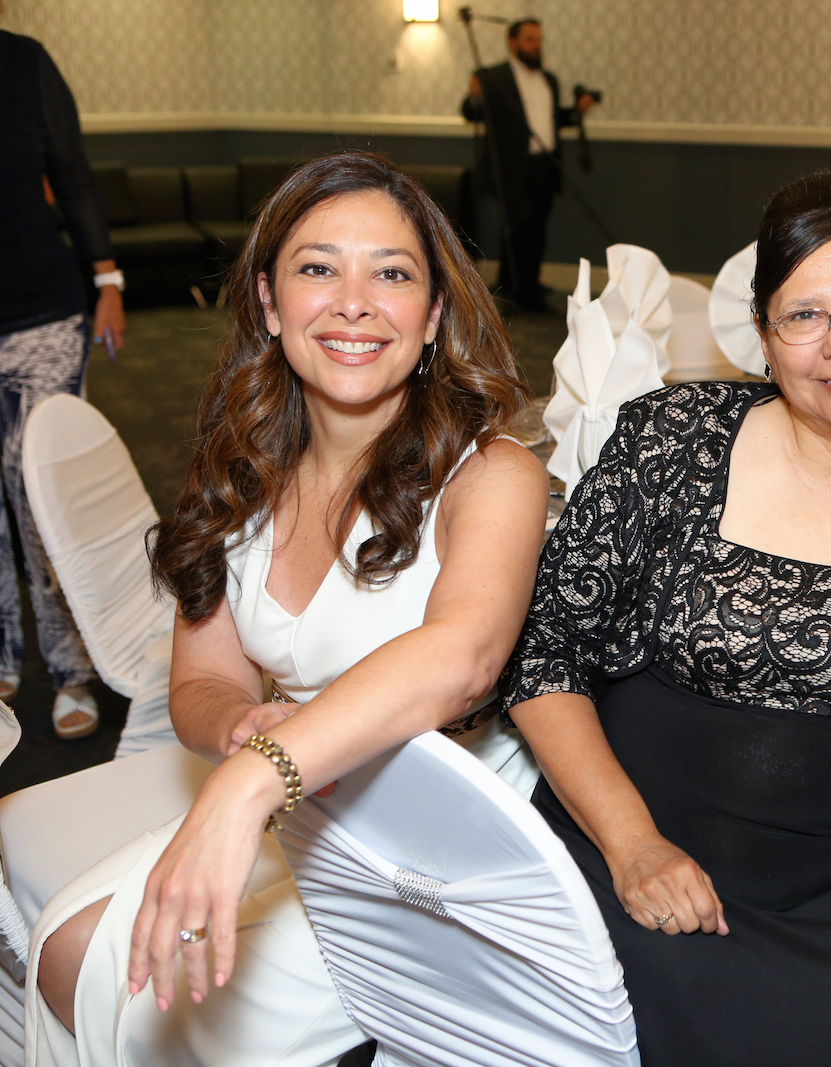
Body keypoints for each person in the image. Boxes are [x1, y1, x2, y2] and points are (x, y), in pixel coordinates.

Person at [26, 151, 547, 1066]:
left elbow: (462, 653)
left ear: (431, 316)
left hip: (438, 848)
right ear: (270, 304)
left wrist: (253, 777)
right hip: (296, 803)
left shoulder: (494, 473)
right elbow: (204, 675)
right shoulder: (239, 465)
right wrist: (242, 725)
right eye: (318, 268)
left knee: (129, 987)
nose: (354, 302)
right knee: (69, 949)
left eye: (392, 273)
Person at [501, 171, 831, 1067]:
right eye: (803, 315)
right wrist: (634, 843)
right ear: (763, 336)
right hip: (625, 846)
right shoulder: (673, 437)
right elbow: (544, 656)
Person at [0, 28, 123, 739]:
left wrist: (106, 277)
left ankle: (71, 663)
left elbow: (72, 171)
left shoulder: (23, 63)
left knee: (33, 486)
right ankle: (6, 647)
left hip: (42, 311)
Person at [462, 17, 596, 312]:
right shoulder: (493, 77)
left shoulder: (548, 79)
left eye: (539, 39)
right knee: (516, 228)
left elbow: (552, 121)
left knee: (537, 227)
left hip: (544, 166)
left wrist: (576, 112)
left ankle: (529, 282)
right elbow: (471, 113)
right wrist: (474, 95)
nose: (537, 46)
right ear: (513, 43)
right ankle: (517, 289)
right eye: (530, 40)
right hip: (511, 169)